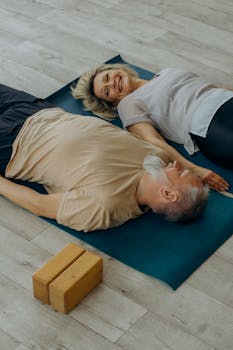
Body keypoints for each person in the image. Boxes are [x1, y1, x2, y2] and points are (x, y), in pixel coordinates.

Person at [0, 84, 210, 232]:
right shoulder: (158, 158)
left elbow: (38, 204)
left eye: (180, 172)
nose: (176, 164)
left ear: (168, 194)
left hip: (13, 144)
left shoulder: (106, 206)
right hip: (40, 110)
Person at [71, 62, 233, 187]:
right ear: (112, 103)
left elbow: (210, 87)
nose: (111, 84)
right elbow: (153, 142)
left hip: (223, 98)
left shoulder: (166, 72)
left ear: (117, 69)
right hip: (206, 124)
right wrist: (196, 170)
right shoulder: (127, 104)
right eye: (107, 92)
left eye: (107, 77)